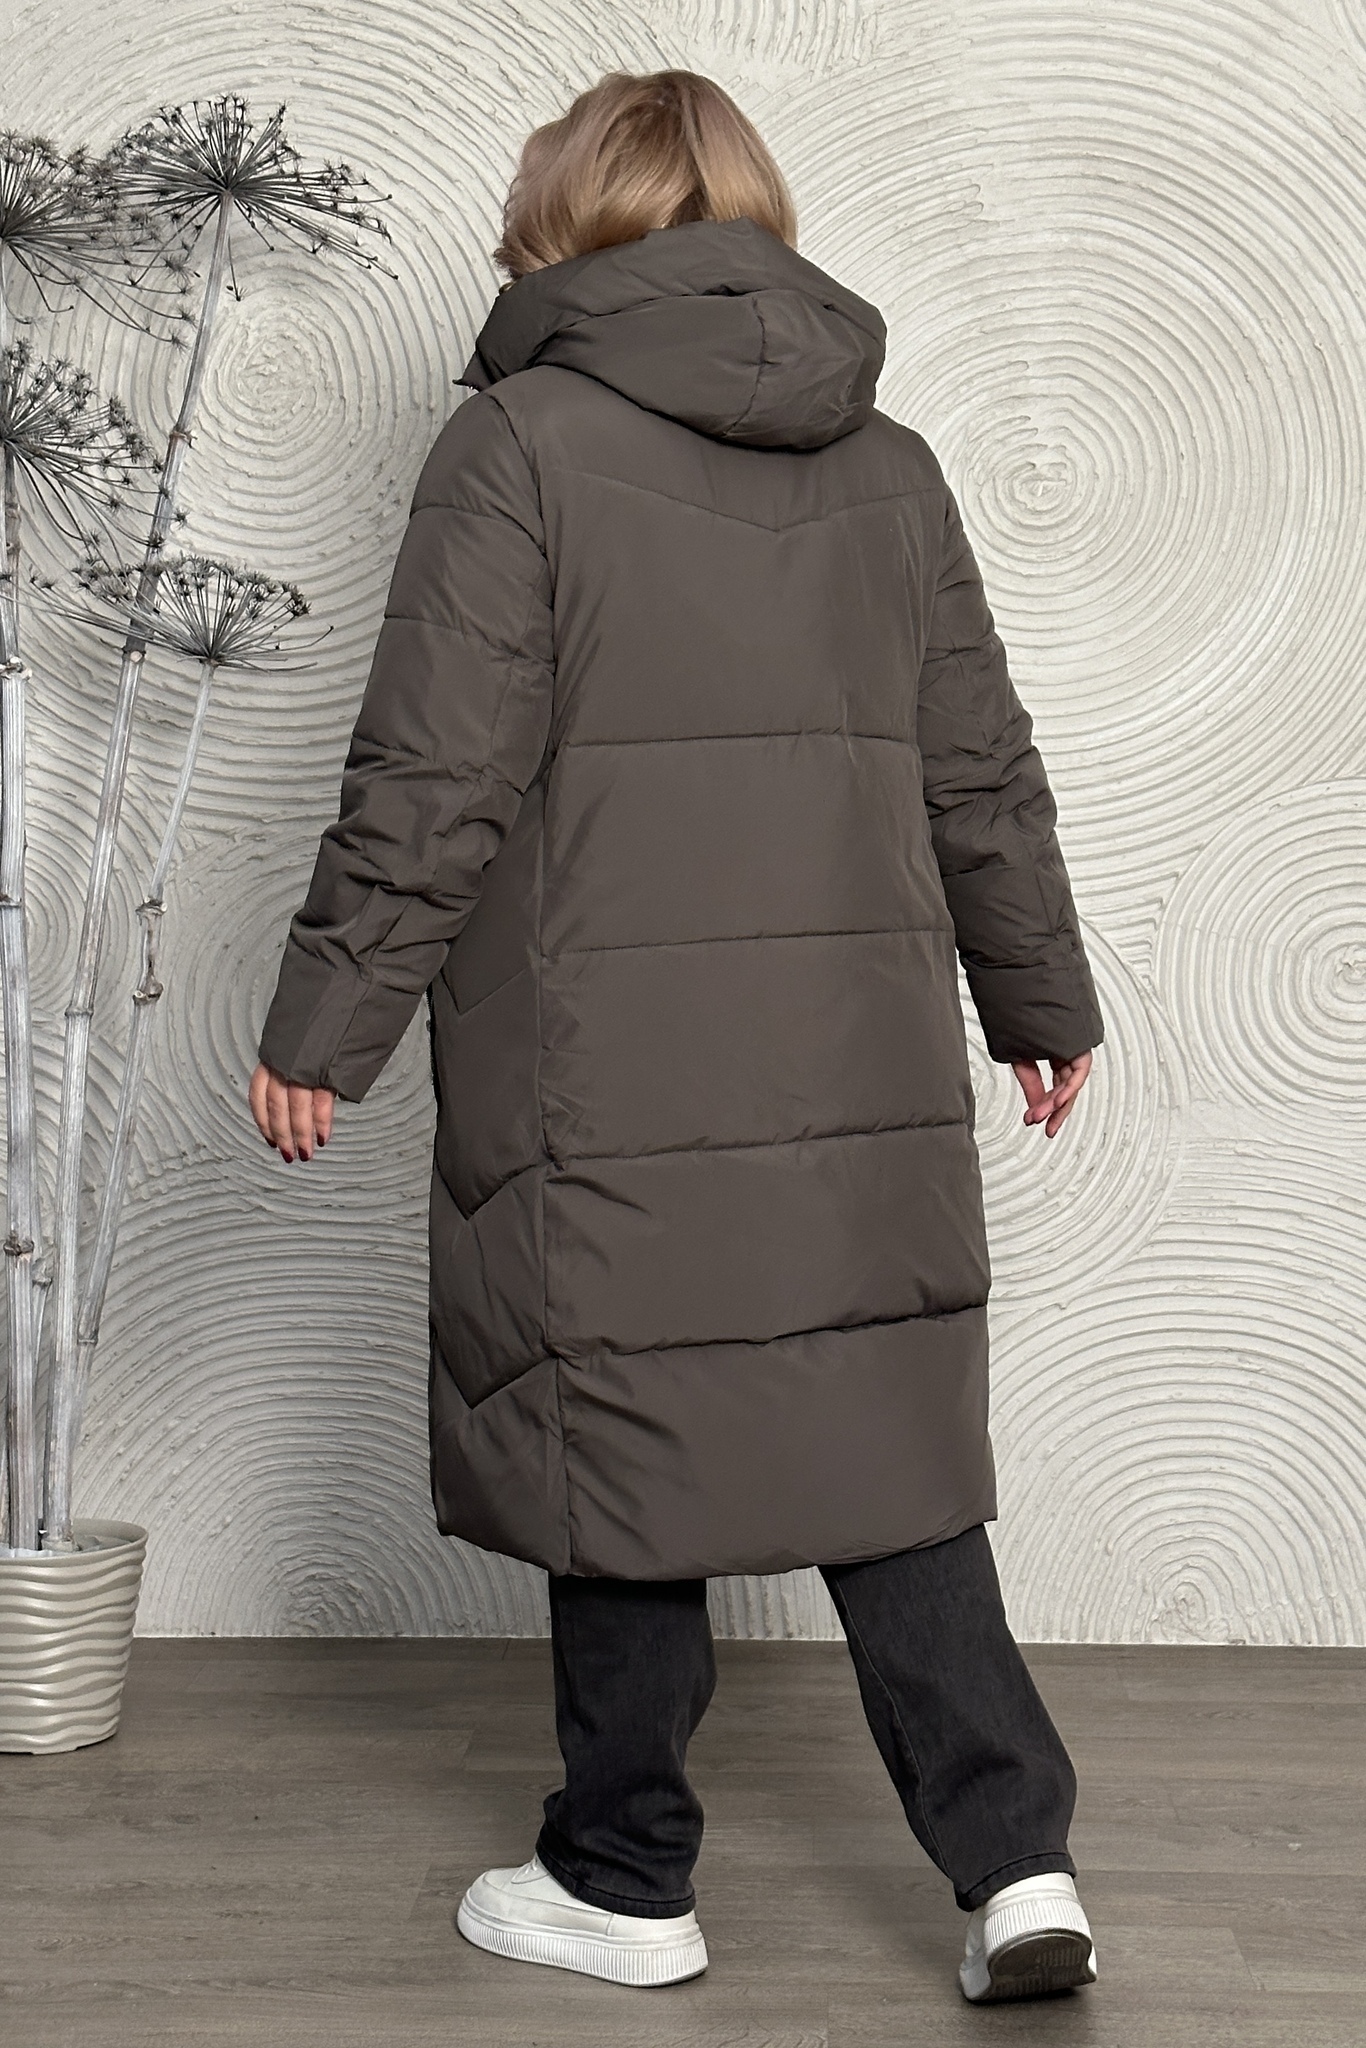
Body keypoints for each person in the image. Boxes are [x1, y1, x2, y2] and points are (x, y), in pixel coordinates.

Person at [249, 69, 1105, 2005]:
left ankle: (622, 1878)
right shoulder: (890, 461)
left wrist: (327, 1021)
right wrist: (1037, 1001)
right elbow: (977, 773)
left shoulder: (516, 444)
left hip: (605, 1060)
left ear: (563, 217)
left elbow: (432, 776)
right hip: (854, 1063)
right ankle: (1016, 1868)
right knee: (877, 1437)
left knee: (618, 1437)